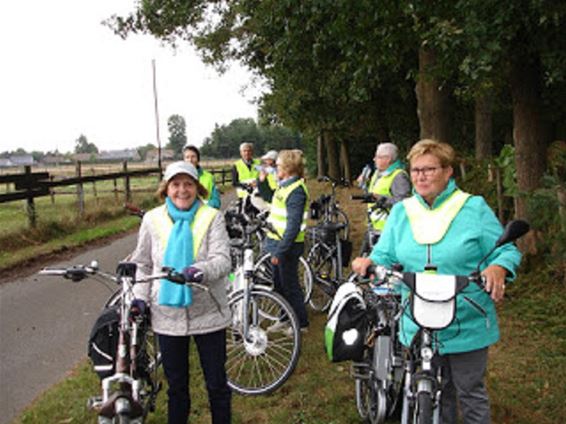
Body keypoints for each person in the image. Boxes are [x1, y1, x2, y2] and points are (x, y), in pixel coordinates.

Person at [352, 139, 522, 424]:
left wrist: (498, 267)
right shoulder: (401, 212)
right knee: (429, 390)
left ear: (448, 171)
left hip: (466, 317)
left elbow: (505, 248)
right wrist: (370, 261)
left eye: (429, 169)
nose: (420, 176)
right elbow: (385, 252)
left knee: (469, 392)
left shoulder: (473, 208)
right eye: (416, 170)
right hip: (417, 317)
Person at [130, 161, 232, 424]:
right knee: (177, 389)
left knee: (217, 385)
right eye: (176, 184)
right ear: (166, 189)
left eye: (188, 184)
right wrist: (139, 298)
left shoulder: (212, 217)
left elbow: (223, 260)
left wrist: (197, 271)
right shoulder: (152, 220)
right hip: (167, 317)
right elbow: (142, 264)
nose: (182, 190)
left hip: (209, 313)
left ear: (197, 188)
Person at [262, 149, 309, 332]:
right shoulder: (284, 186)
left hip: (287, 246)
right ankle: (284, 317)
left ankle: (300, 323)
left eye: (279, 165)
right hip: (276, 243)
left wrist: (280, 251)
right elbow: (269, 199)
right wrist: (262, 182)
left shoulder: (296, 191)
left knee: (290, 286)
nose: (276, 168)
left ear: (288, 168)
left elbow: (293, 226)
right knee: (278, 285)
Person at [366, 142, 411, 232]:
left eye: (378, 157)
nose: (374, 159)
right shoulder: (377, 174)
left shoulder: (398, 176)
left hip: (391, 229)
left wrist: (381, 199)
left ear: (388, 159)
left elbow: (403, 202)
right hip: (375, 226)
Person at [183, 144, 221, 209]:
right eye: (187, 157)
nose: (190, 160)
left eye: (193, 157)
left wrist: (201, 204)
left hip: (204, 215)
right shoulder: (178, 178)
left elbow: (216, 202)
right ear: (184, 160)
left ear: (198, 159)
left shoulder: (209, 177)